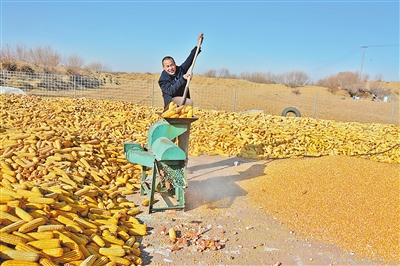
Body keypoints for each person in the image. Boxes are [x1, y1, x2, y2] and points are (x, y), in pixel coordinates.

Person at [158, 32, 203, 109]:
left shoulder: (180, 70)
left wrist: (198, 45)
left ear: (175, 64)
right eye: (167, 66)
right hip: (171, 107)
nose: (170, 68)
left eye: (172, 65)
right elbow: (171, 91)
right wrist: (183, 79)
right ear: (163, 68)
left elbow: (190, 59)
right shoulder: (162, 79)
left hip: (184, 103)